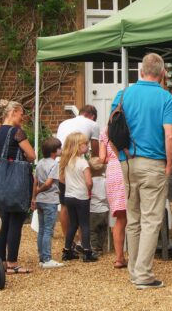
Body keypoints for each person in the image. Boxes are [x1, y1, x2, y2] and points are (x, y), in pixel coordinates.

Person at [110, 52, 172, 289]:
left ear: (140, 72)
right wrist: (169, 164)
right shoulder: (165, 97)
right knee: (151, 220)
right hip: (153, 164)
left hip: (127, 163)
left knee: (134, 219)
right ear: (161, 74)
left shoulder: (123, 94)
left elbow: (111, 130)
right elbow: (169, 134)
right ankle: (144, 275)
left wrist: (121, 156)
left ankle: (133, 271)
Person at [0, 100, 36, 274]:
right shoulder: (17, 132)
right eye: (21, 114)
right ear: (14, 112)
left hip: (1, 182)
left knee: (3, 221)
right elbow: (31, 155)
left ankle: (0, 259)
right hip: (17, 182)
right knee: (16, 222)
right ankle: (12, 262)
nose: (22, 118)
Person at [56, 105, 100, 242]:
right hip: (77, 164)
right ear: (92, 116)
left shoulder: (64, 123)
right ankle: (82, 239)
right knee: (81, 202)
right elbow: (96, 152)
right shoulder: (93, 124)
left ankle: (68, 239)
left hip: (61, 163)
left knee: (64, 203)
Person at [59, 132, 98, 262]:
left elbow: (63, 180)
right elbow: (89, 182)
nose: (88, 146)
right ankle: (87, 252)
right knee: (84, 224)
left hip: (69, 196)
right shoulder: (83, 163)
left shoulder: (67, 161)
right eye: (85, 144)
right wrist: (90, 190)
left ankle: (67, 250)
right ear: (78, 146)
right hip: (82, 197)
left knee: (73, 224)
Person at [33, 137, 63, 268]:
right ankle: (47, 258)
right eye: (59, 148)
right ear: (54, 151)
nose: (61, 150)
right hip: (50, 199)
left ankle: (41, 257)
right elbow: (49, 182)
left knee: (41, 229)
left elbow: (35, 181)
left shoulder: (39, 162)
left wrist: (34, 196)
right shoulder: (54, 164)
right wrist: (40, 190)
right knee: (48, 230)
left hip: (40, 200)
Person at [99, 127, 128, 268]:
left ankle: (119, 257)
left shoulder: (105, 132)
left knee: (120, 218)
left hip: (112, 173)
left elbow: (101, 158)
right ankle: (136, 256)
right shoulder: (129, 127)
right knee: (134, 216)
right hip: (126, 168)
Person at [89, 173, 109, 254]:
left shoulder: (90, 181)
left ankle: (94, 247)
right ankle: (100, 247)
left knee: (93, 230)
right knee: (103, 230)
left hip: (93, 209)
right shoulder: (105, 180)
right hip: (104, 209)